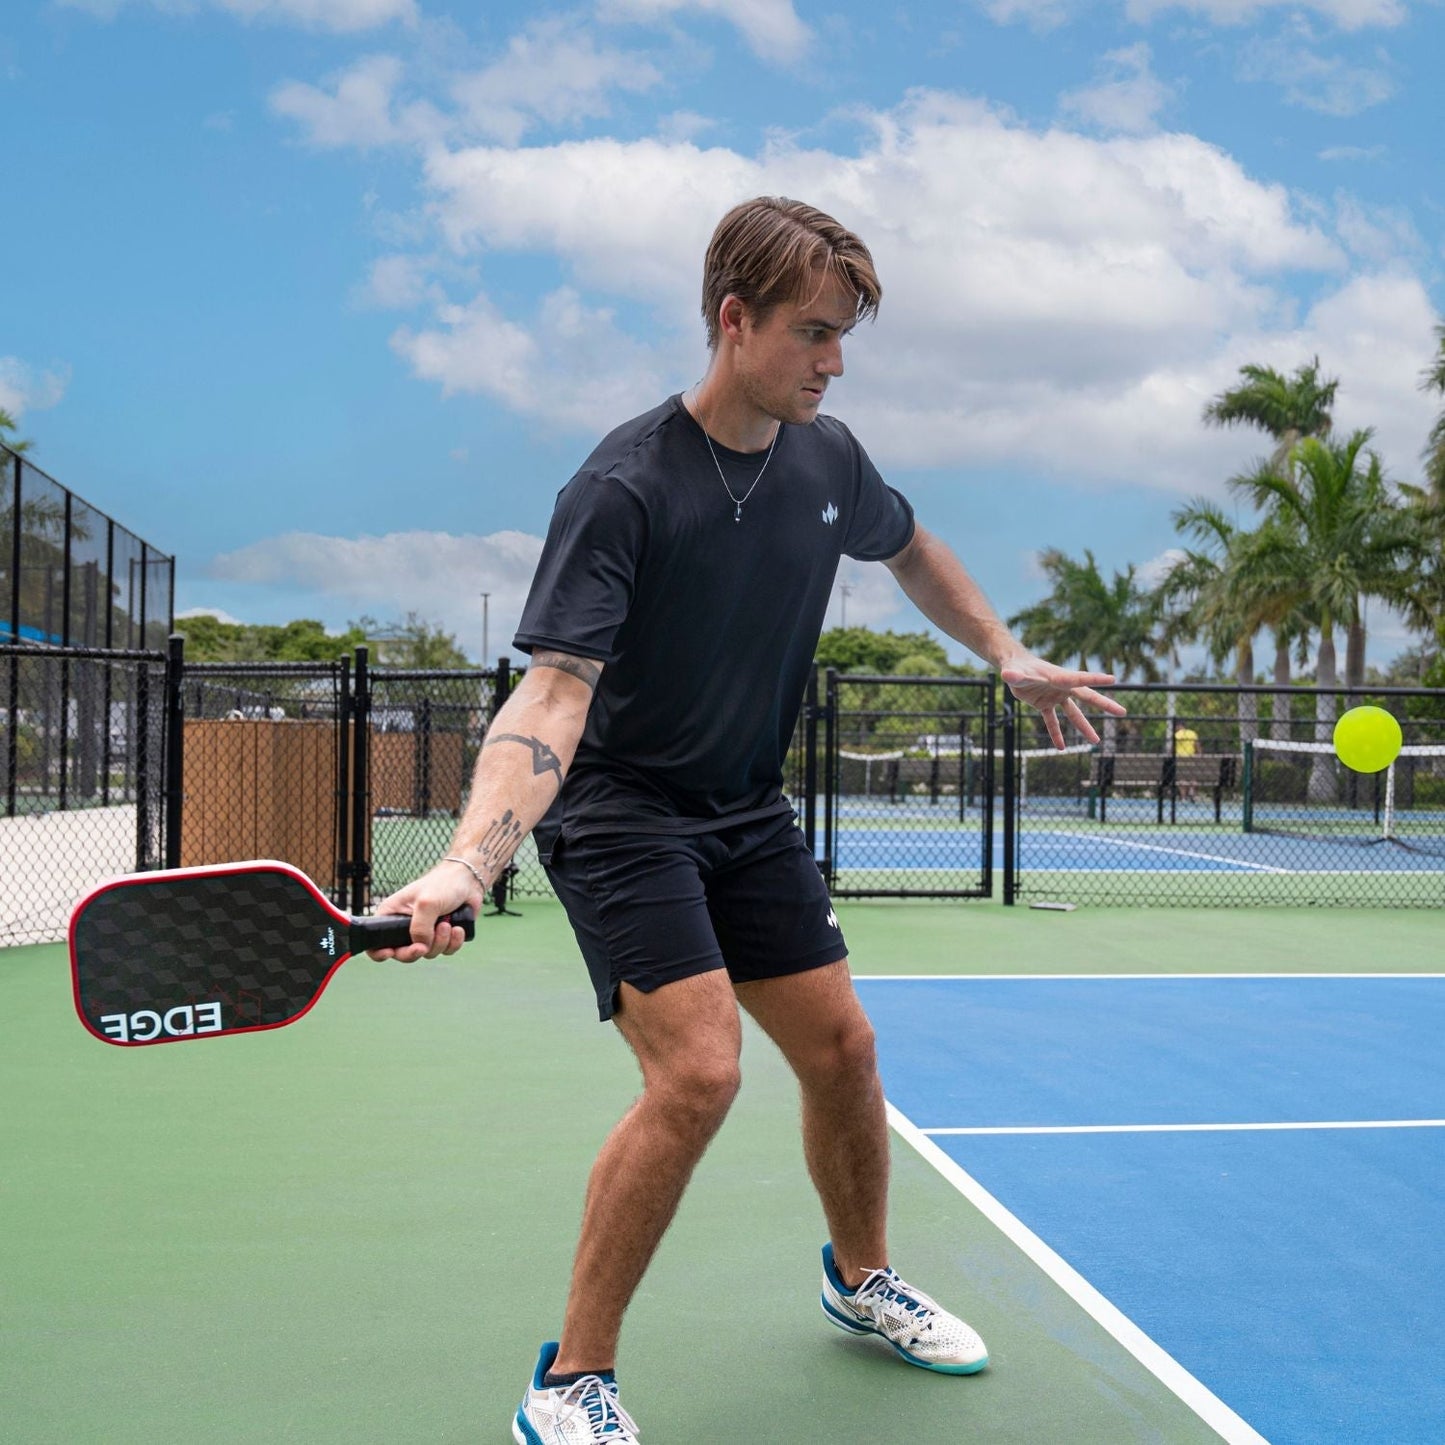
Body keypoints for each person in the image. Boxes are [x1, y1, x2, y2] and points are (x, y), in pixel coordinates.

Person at [369, 196, 1127, 1444]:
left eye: (844, 337)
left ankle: (860, 1275)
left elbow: (913, 546)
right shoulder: (621, 486)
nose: (834, 361)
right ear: (735, 320)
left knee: (842, 1051)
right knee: (702, 1072)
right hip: (621, 812)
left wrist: (1005, 652)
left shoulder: (826, 460)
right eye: (815, 334)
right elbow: (552, 692)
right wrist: (469, 860)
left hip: (742, 806)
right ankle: (570, 1379)